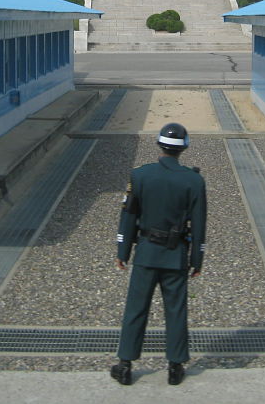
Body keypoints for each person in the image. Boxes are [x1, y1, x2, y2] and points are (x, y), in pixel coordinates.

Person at [111, 122, 207, 387]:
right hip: (175, 254)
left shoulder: (140, 176)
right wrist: (196, 260)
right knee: (176, 310)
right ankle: (175, 367)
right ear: (184, 147)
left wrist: (123, 250)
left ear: (159, 144)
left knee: (136, 309)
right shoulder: (194, 180)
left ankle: (125, 365)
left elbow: (128, 215)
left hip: (145, 253)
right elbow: (199, 226)